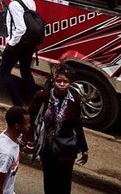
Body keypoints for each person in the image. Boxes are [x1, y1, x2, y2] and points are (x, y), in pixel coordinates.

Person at [27, 64, 88, 194]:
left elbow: (77, 124)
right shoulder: (42, 96)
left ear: (70, 83)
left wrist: (84, 148)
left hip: (66, 149)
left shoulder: (75, 100)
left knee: (65, 182)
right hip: (47, 148)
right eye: (58, 81)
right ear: (53, 81)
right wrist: (30, 139)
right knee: (49, 180)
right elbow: (30, 117)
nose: (61, 84)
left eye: (65, 82)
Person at [0, 0, 37, 107]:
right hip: (29, 43)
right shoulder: (30, 0)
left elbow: (20, 28)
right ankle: (34, 102)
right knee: (25, 71)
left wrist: (10, 44)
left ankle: (18, 105)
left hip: (18, 44)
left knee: (4, 73)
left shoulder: (15, 4)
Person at [0, 106, 30, 194]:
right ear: (17, 126)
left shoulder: (8, 136)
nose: (29, 126)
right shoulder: (6, 153)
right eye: (26, 124)